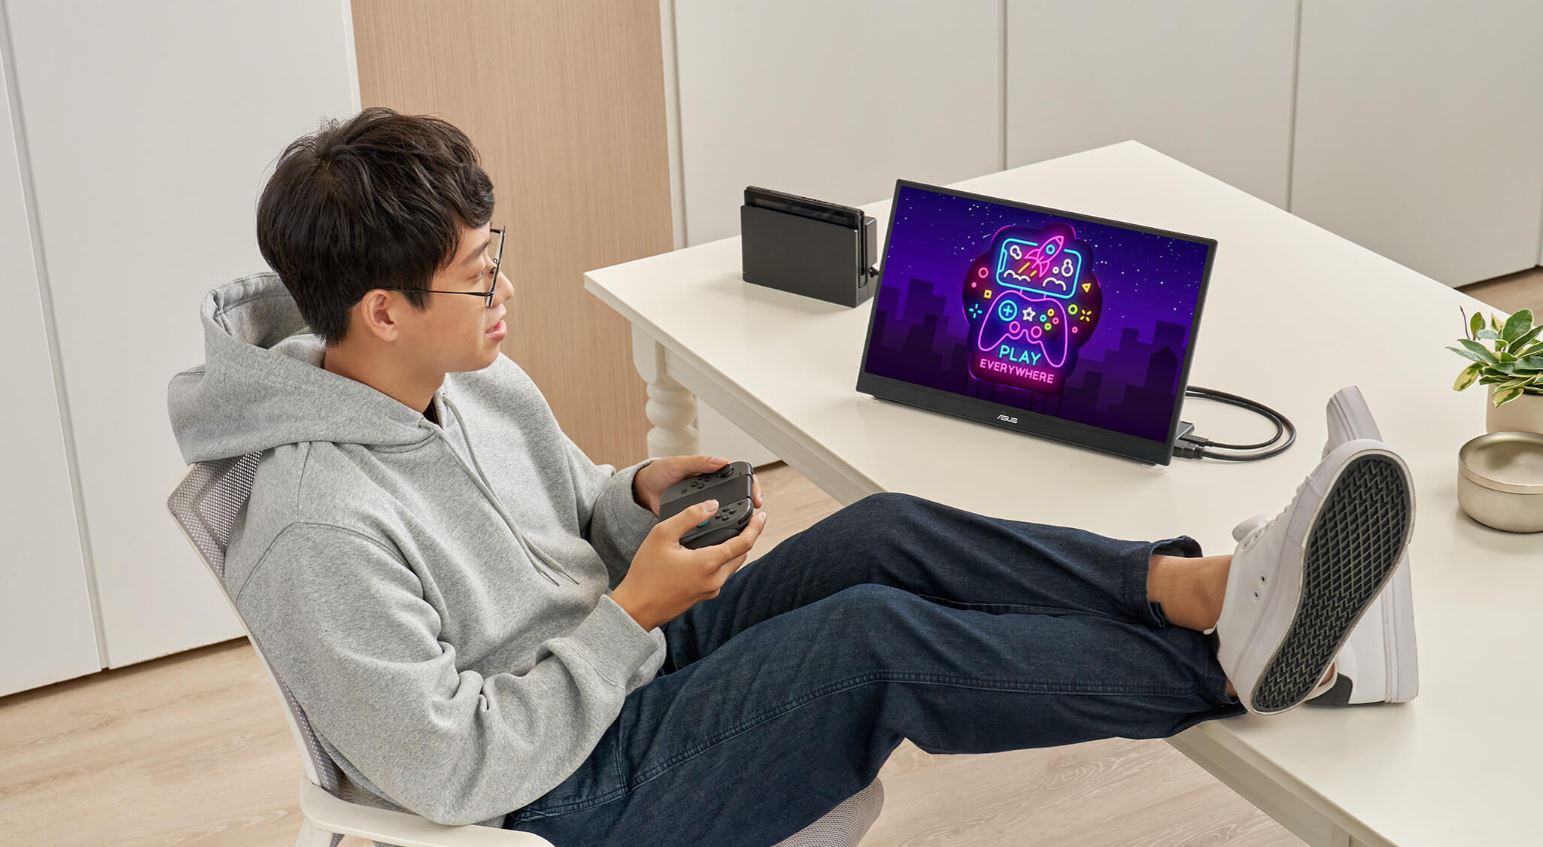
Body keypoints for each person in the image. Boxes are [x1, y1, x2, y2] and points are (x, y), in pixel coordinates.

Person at [167, 107, 1417, 846]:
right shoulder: (315, 524)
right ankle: (1241, 666)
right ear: (382, 310)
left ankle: (1207, 588)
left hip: (614, 669)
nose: (506, 292)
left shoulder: (461, 371)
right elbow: (449, 767)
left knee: (885, 531)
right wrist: (630, 615)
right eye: (479, 276)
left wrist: (630, 497)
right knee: (872, 640)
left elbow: (560, 506)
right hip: (561, 791)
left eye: (498, 257)